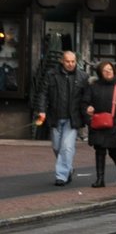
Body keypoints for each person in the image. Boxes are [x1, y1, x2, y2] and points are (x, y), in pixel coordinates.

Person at [32, 49, 86, 185]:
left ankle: (61, 176)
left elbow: (87, 97)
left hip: (72, 119)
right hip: (55, 117)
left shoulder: (82, 77)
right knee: (57, 147)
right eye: (67, 61)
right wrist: (42, 110)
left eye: (73, 61)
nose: (70, 64)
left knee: (67, 147)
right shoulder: (51, 74)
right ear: (62, 61)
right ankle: (68, 168)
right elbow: (43, 94)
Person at [80, 60, 116, 187]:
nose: (108, 72)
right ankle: (100, 179)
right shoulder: (93, 87)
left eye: (110, 69)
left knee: (115, 152)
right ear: (100, 73)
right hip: (97, 125)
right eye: (105, 70)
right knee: (100, 151)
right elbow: (84, 103)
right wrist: (88, 112)